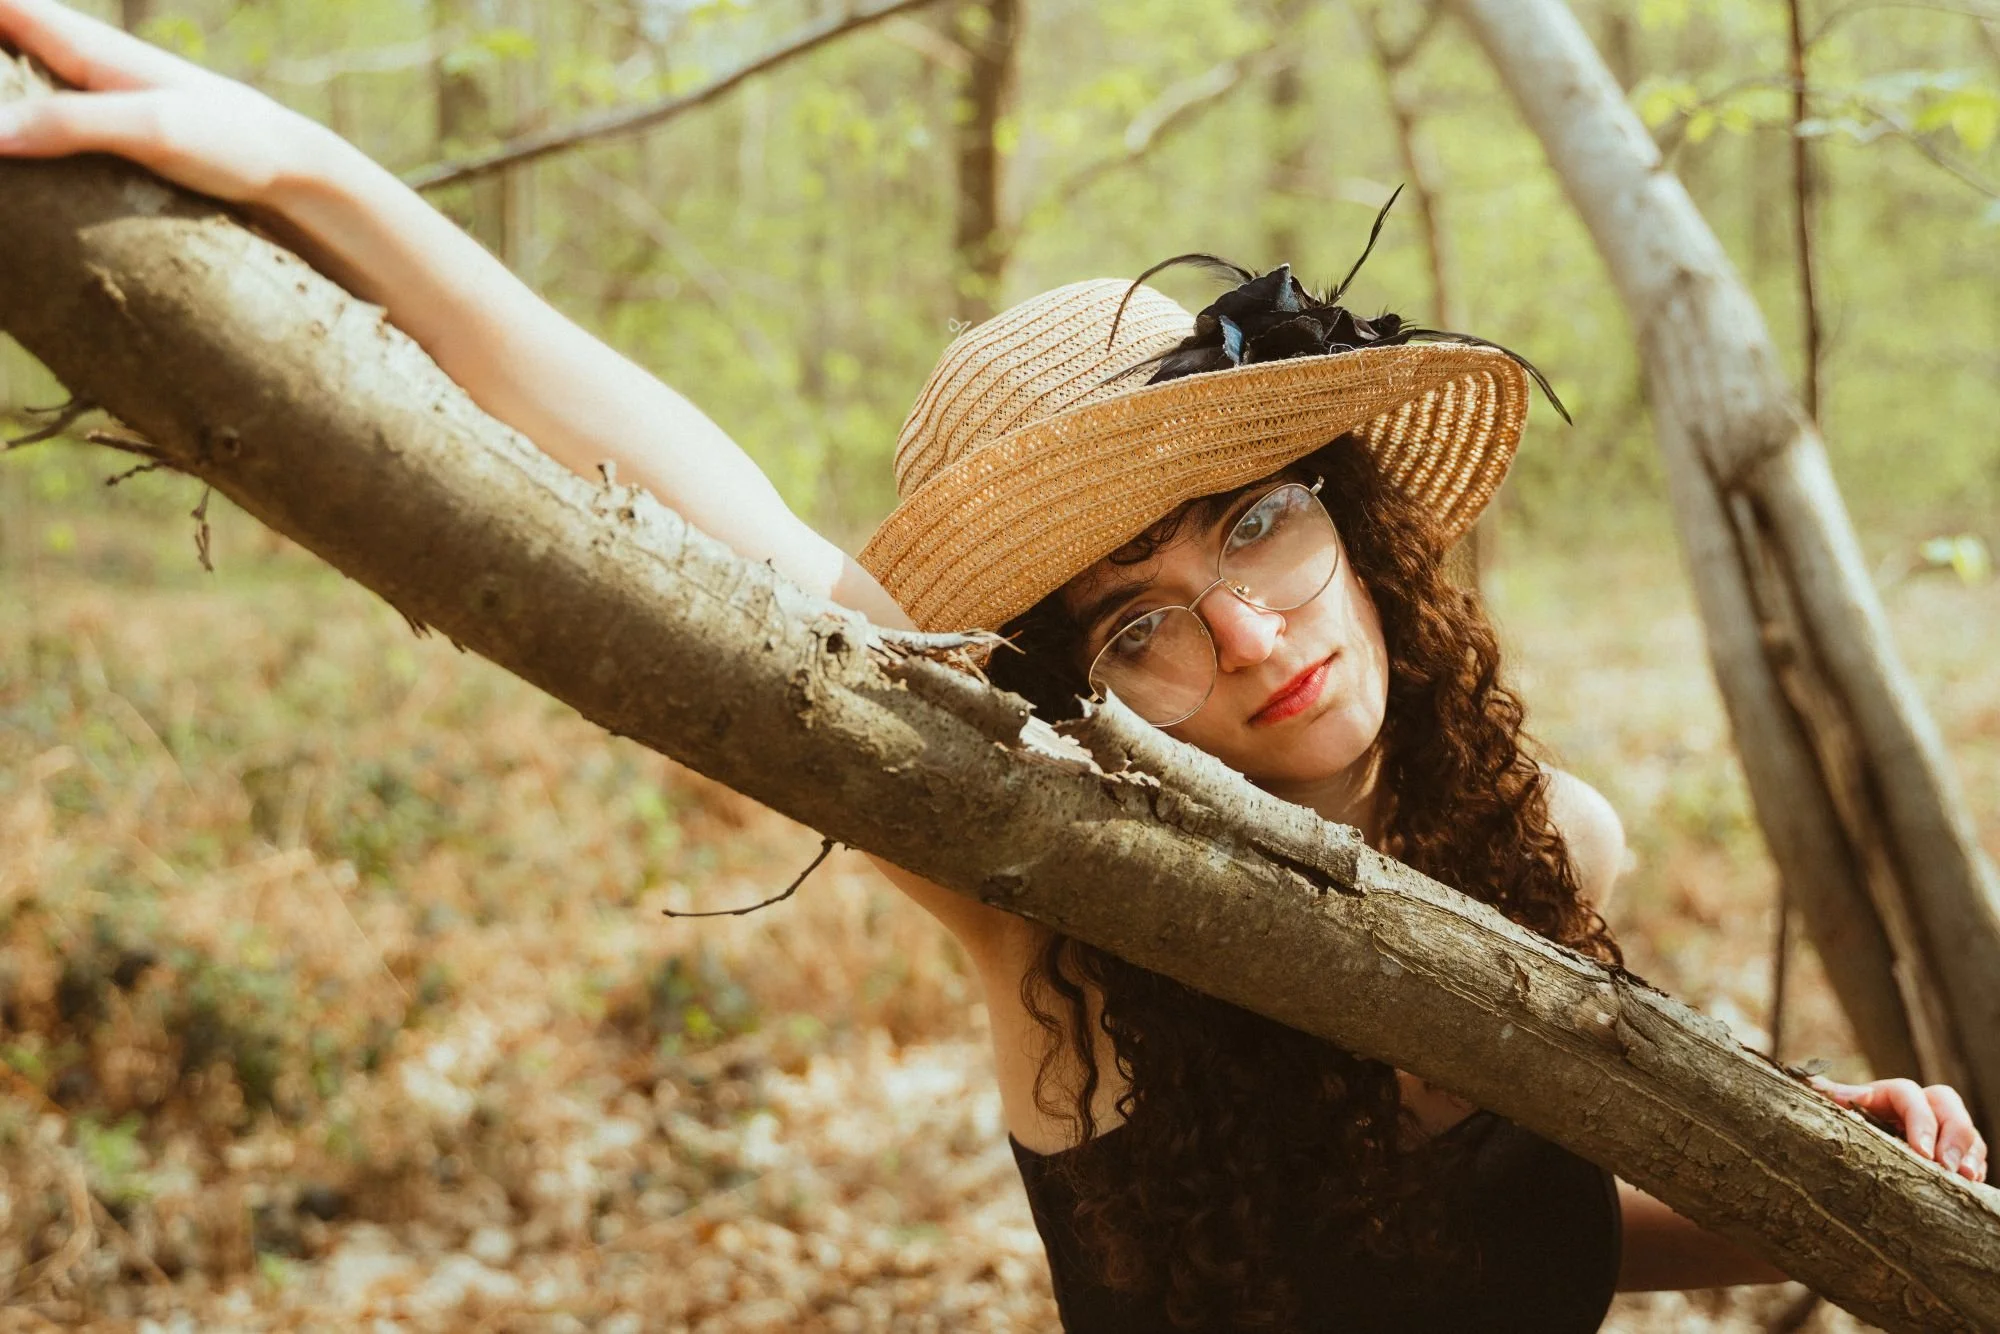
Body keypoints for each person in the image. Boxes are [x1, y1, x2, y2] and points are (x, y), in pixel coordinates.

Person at [0, 3, 1986, 1329]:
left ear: (1353, 521)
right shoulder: (1051, 930)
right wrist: (317, 182)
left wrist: (1792, 1173)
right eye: (1136, 620)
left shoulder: (1557, 841)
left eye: (1258, 524)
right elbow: (725, 525)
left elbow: (1509, 1250)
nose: (1244, 630)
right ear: (1082, 689)